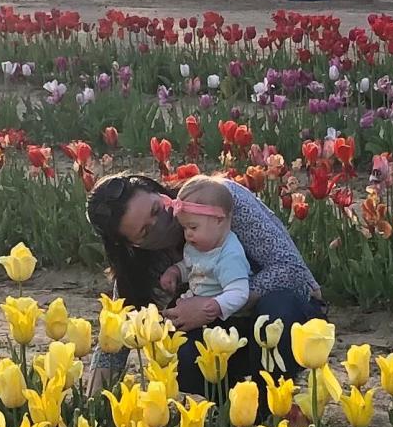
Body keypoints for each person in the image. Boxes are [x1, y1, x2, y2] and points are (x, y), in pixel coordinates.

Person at [85, 172, 326, 406]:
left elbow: (293, 271)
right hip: (228, 336)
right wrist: (90, 410)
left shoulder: (218, 201)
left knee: (276, 312)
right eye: (146, 232)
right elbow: (115, 337)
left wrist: (213, 306)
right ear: (131, 245)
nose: (162, 224)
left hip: (289, 315)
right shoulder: (142, 267)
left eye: (157, 210)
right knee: (176, 353)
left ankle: (270, 407)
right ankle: (232, 409)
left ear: (158, 191)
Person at [159, 175, 251, 320]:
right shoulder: (197, 246)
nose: (188, 234)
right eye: (184, 228)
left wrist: (218, 305)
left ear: (219, 220)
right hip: (195, 302)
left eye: (193, 227)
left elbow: (239, 291)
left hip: (221, 317)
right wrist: (176, 271)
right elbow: (193, 266)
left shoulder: (229, 255)